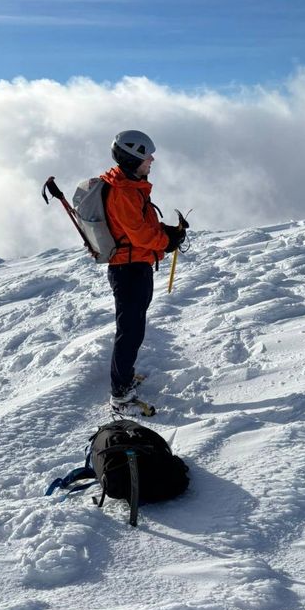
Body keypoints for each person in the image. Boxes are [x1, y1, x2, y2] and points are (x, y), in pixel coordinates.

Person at [101, 130, 185, 416]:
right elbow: (140, 235)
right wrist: (167, 241)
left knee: (132, 328)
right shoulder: (125, 192)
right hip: (129, 269)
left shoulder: (130, 186)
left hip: (133, 265)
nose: (152, 160)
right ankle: (120, 396)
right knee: (130, 331)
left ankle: (123, 377)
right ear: (132, 159)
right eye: (147, 156)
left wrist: (167, 232)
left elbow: (141, 226)